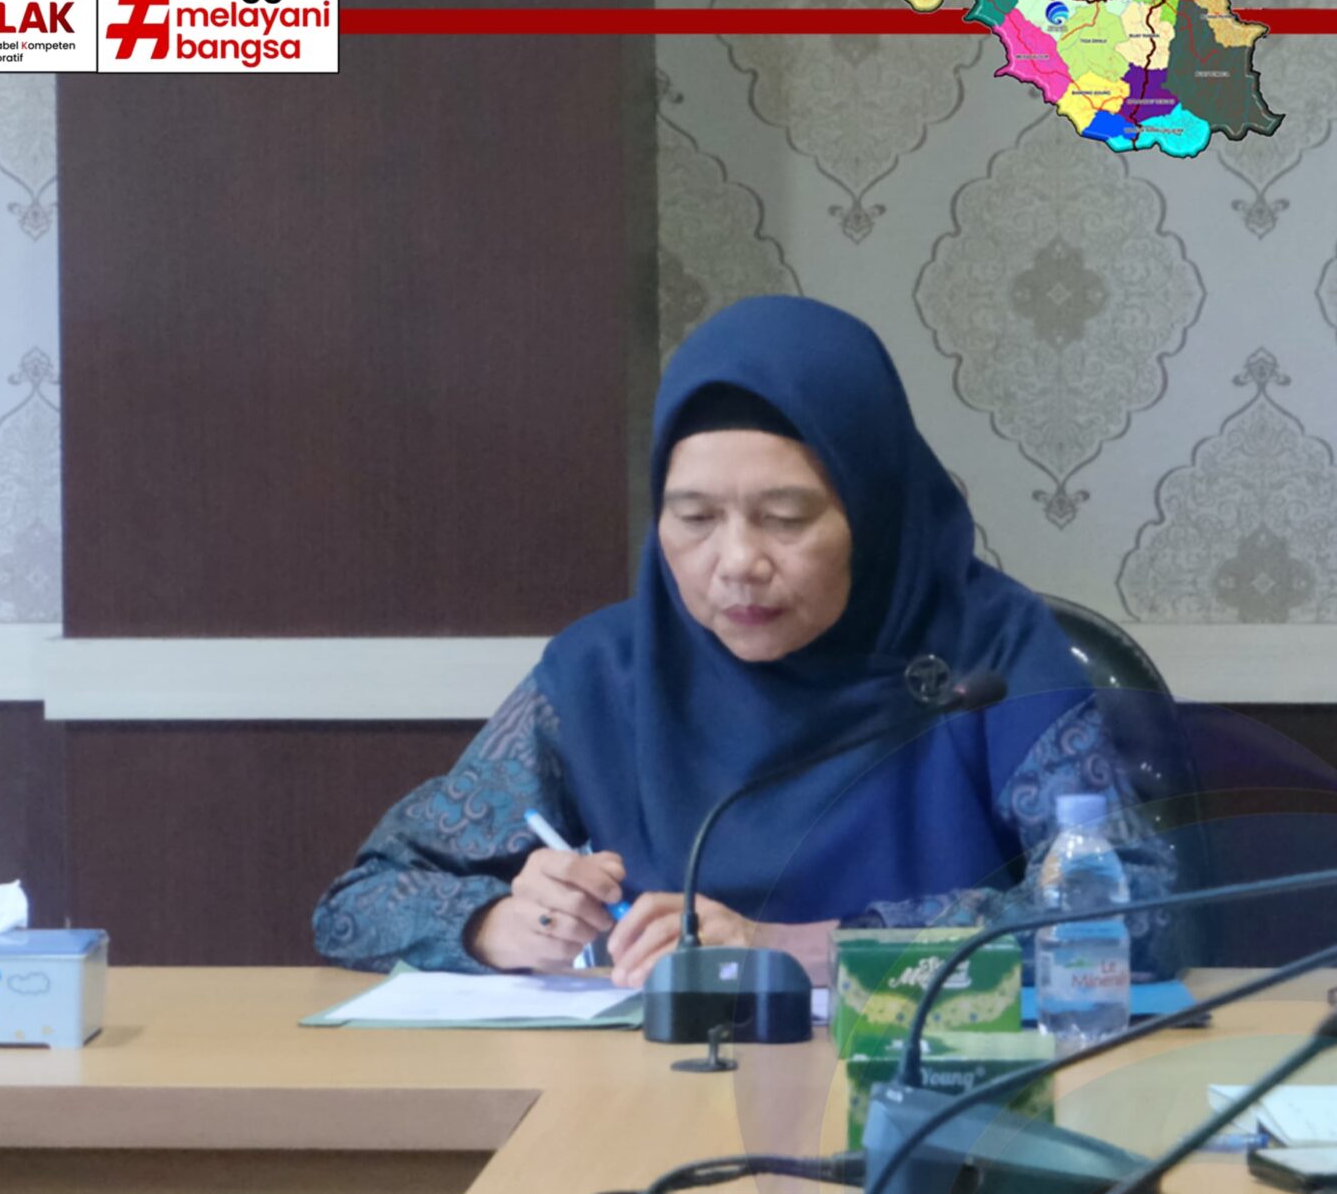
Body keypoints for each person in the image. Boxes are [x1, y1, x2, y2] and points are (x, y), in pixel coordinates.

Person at [313, 295, 1172, 985]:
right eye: (693, 519)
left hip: (933, 1089)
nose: (735, 564)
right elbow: (360, 902)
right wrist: (500, 925)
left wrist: (796, 948)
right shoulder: (604, 674)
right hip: (645, 1100)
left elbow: (1132, 914)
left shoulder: (987, 654)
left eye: (785, 518)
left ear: (872, 516)